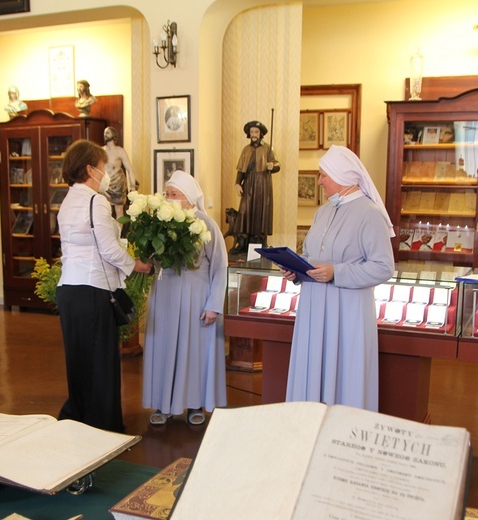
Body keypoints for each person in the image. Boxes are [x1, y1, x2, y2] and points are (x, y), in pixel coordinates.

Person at [281, 146, 394, 412]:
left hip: (348, 311)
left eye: (323, 175)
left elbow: (383, 267)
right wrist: (295, 269)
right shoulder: (323, 212)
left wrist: (337, 272)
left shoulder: (369, 213)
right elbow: (311, 254)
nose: (319, 181)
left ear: (340, 176)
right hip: (314, 308)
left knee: (344, 369)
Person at [55, 139, 152, 433]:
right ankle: (102, 424)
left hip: (68, 289)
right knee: (100, 360)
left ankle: (79, 418)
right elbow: (108, 249)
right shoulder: (96, 200)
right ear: (89, 169)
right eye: (102, 167)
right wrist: (139, 265)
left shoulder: (67, 200)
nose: (105, 172)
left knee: (78, 357)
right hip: (92, 290)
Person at [142, 170, 228, 426]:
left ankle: (194, 404)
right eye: (167, 194)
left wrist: (214, 305)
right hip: (165, 296)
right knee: (164, 349)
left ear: (189, 198)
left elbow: (220, 266)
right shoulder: (159, 224)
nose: (169, 199)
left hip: (196, 297)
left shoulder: (206, 223)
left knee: (194, 352)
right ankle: (163, 404)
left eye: (175, 194)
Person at [230, 120, 280, 254]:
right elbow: (241, 169)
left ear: (261, 133)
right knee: (245, 210)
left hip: (263, 183)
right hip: (248, 183)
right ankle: (242, 242)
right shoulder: (246, 150)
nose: (254, 134)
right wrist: (237, 183)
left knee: (260, 211)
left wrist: (272, 166)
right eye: (251, 132)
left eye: (256, 132)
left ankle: (258, 242)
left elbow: (277, 164)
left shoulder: (268, 149)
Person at [102, 126, 136, 219]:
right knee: (105, 210)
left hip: (117, 184)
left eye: (108, 133)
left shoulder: (120, 151)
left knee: (119, 210)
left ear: (113, 135)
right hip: (106, 185)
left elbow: (130, 169)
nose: (105, 135)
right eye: (104, 133)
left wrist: (133, 188)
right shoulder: (101, 151)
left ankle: (119, 233)